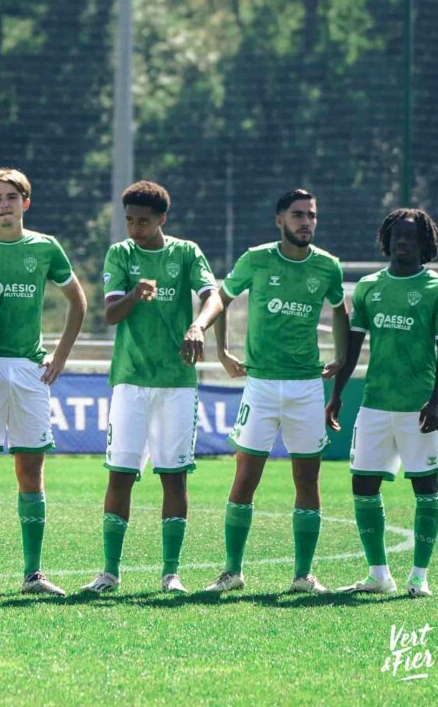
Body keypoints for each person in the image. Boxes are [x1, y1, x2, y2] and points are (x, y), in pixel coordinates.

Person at [184, 189, 348, 595]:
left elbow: (342, 310)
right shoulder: (256, 258)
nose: (305, 222)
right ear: (280, 220)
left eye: (311, 215)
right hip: (260, 384)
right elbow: (221, 298)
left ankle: (303, 575)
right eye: (297, 215)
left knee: (308, 480)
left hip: (306, 387)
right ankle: (232, 571)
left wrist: (342, 358)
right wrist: (219, 347)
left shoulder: (328, 266)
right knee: (245, 477)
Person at [81, 181, 216, 595]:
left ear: (162, 219)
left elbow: (214, 297)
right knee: (120, 475)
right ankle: (109, 572)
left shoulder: (186, 252)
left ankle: (170, 573)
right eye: (129, 221)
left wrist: (197, 324)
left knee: (174, 478)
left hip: (176, 383)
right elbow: (109, 314)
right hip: (130, 382)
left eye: (143, 221)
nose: (135, 228)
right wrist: (136, 296)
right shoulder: (121, 254)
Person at [0, 168, 87, 596]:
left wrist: (61, 355)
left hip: (30, 370)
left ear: (25, 202)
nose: (4, 204)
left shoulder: (45, 247)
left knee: (31, 469)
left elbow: (77, 300)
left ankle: (32, 573)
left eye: (12, 196)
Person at [328, 209, 438, 598]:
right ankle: (379, 574)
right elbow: (353, 347)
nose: (403, 241)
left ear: (425, 243)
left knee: (426, 488)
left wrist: (435, 402)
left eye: (411, 236)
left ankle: (419, 575)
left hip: (418, 408)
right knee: (363, 485)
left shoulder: (437, 289)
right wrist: (336, 395)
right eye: (397, 235)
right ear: (387, 239)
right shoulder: (367, 287)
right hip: (375, 405)